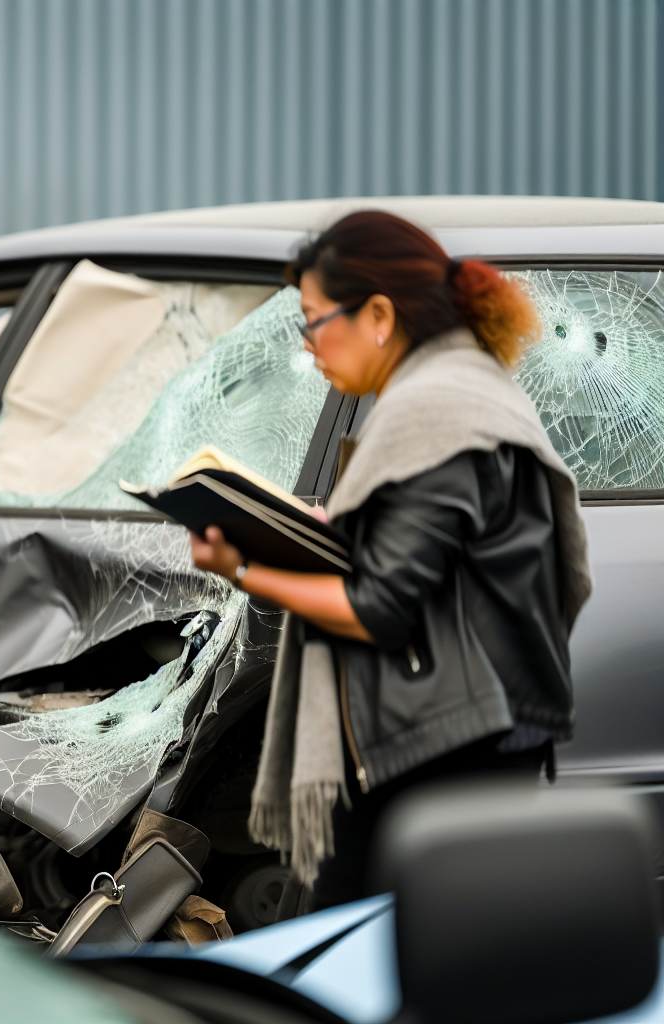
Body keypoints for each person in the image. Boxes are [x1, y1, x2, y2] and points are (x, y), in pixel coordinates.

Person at [190, 211, 593, 909]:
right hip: (482, 731)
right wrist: (315, 529)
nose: (309, 344)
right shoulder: (465, 386)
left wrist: (245, 571)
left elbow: (380, 609)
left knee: (355, 945)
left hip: (442, 745)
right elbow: (439, 552)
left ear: (378, 313)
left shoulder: (431, 410)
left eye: (315, 320)